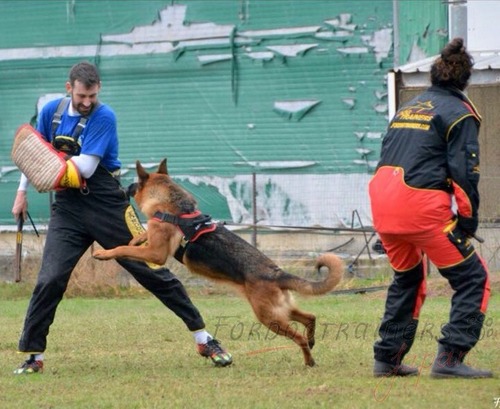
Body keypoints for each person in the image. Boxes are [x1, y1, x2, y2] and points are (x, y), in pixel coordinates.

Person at [11, 61, 232, 374]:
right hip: (67, 209)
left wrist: (51, 170)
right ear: (69, 88)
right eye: (82, 96)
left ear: (98, 89)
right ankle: (34, 357)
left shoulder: (104, 116)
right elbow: (33, 155)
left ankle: (203, 337)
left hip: (106, 203)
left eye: (93, 95)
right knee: (50, 279)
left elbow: (85, 169)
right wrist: (22, 193)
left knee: (152, 268)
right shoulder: (52, 112)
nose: (87, 102)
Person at [369, 38, 492, 378]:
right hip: (420, 206)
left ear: (434, 76)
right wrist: (467, 223)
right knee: (473, 279)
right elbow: (465, 174)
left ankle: (387, 359)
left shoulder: (408, 108)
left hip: (383, 203)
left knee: (408, 279)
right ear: (464, 81)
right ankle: (450, 360)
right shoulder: (459, 114)